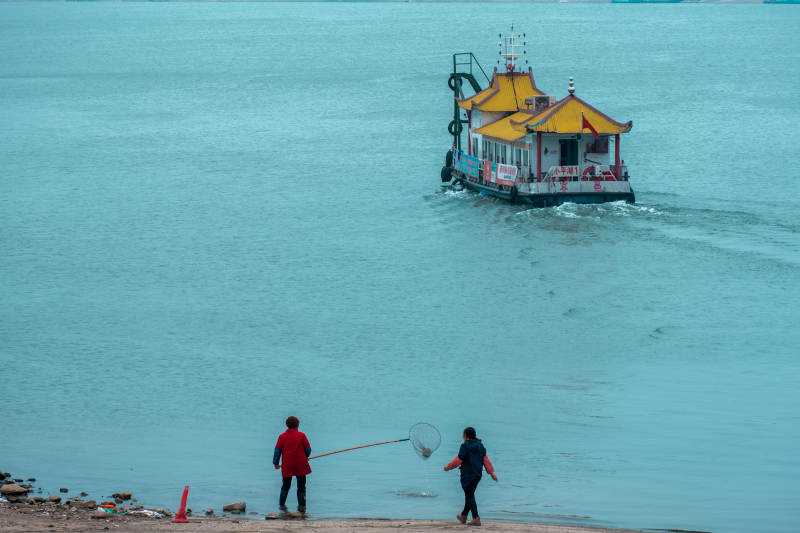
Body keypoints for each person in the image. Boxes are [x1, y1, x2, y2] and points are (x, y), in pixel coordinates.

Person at [443, 426, 498, 526]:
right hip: (477, 475)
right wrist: (492, 473)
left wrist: (448, 467)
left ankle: (476, 518)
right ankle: (463, 516)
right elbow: (486, 460)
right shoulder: (480, 445)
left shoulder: (465, 446)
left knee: (469, 496)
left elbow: (458, 460)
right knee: (470, 495)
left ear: (465, 435)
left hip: (467, 475)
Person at [273, 416, 311, 513]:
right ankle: (302, 507)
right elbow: (308, 449)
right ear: (298, 425)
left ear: (287, 425)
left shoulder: (282, 436)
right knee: (301, 486)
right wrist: (306, 457)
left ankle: (281, 506)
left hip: (287, 465)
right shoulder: (302, 435)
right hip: (301, 464)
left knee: (285, 485)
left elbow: (277, 451)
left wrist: (276, 463)